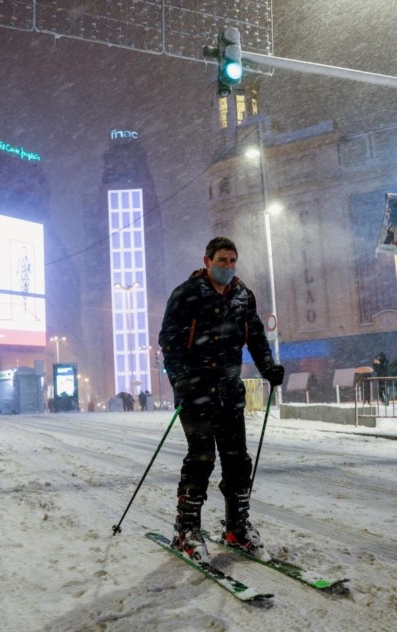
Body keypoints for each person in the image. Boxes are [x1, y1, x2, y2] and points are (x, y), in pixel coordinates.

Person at [159, 237, 284, 563]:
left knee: (238, 460)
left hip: (229, 392)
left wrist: (268, 367)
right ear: (207, 260)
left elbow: (255, 337)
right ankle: (186, 529)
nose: (228, 266)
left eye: (232, 261)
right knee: (201, 459)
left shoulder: (243, 297)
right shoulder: (186, 294)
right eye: (222, 260)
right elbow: (169, 342)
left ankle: (237, 526)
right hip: (195, 391)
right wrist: (181, 378)